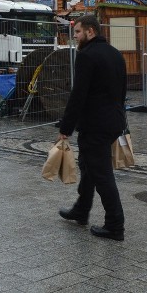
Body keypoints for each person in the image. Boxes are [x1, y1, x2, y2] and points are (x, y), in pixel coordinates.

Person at [57, 14, 127, 242]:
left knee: (102, 174)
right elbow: (122, 91)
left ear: (90, 31)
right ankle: (81, 209)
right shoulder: (115, 53)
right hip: (113, 121)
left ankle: (115, 225)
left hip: (96, 125)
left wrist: (66, 126)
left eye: (77, 32)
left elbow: (79, 95)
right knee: (89, 167)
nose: (75, 36)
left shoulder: (87, 56)